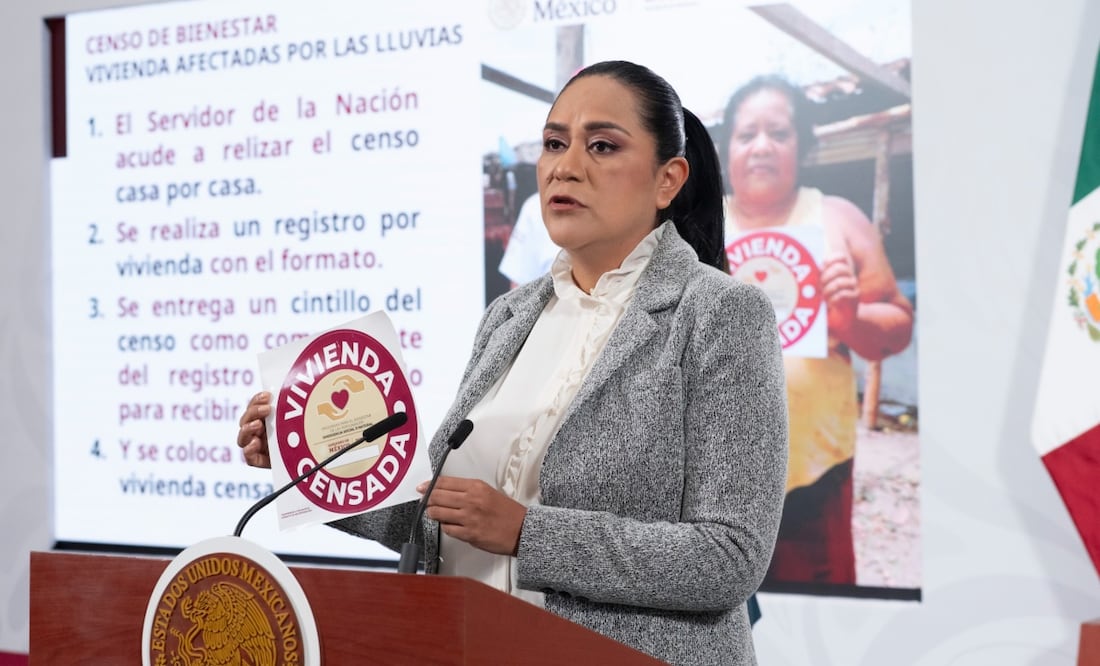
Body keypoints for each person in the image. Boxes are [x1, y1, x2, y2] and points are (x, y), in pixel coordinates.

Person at [239, 60, 788, 665]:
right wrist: (309, 462)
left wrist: (529, 533)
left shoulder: (721, 313)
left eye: (601, 145)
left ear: (669, 179)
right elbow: (437, 521)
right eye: (554, 143)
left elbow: (729, 558)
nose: (565, 165)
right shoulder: (509, 316)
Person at [719, 75, 914, 586]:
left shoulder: (836, 219)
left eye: (778, 133)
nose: (762, 146)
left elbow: (897, 327)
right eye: (747, 135)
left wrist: (851, 320)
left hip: (815, 474)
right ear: (726, 150)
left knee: (818, 614)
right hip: (710, 481)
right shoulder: (693, 229)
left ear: (802, 146)